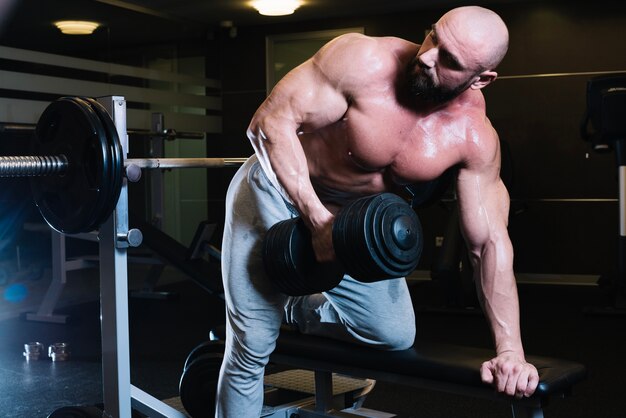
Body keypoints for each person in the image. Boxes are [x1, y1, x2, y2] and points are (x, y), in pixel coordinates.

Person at [217, 5, 539, 417]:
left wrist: (510, 349)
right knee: (252, 347)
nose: (427, 55)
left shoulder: (474, 137)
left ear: (481, 79)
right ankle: (265, 309)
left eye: (450, 60)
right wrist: (316, 221)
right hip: (276, 188)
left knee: (393, 334)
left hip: (351, 223)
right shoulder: (361, 60)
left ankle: (297, 304)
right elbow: (269, 123)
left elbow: (490, 243)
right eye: (434, 36)